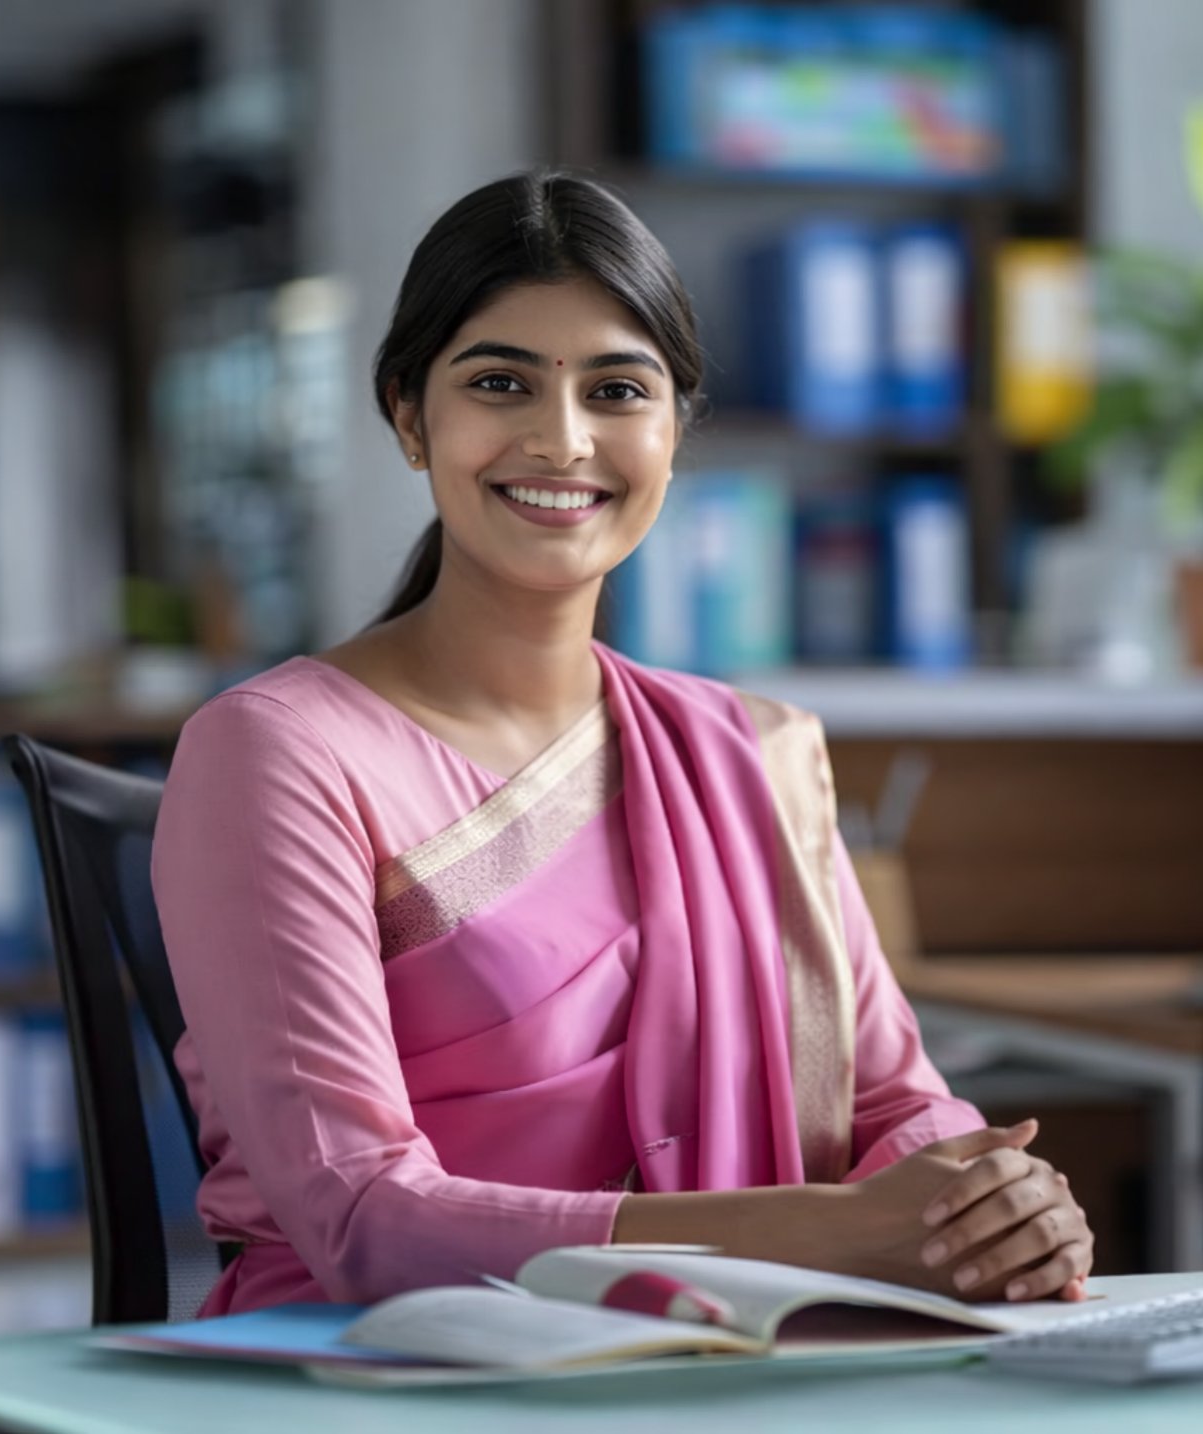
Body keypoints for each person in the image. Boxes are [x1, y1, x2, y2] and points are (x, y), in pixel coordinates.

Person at [152, 170, 1095, 1317]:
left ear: (673, 429)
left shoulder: (752, 751)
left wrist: (988, 1199)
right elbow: (358, 1215)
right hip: (380, 1373)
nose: (562, 440)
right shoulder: (280, 755)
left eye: (616, 389)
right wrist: (826, 1236)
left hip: (730, 1362)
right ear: (410, 416)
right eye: (499, 383)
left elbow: (897, 1110)